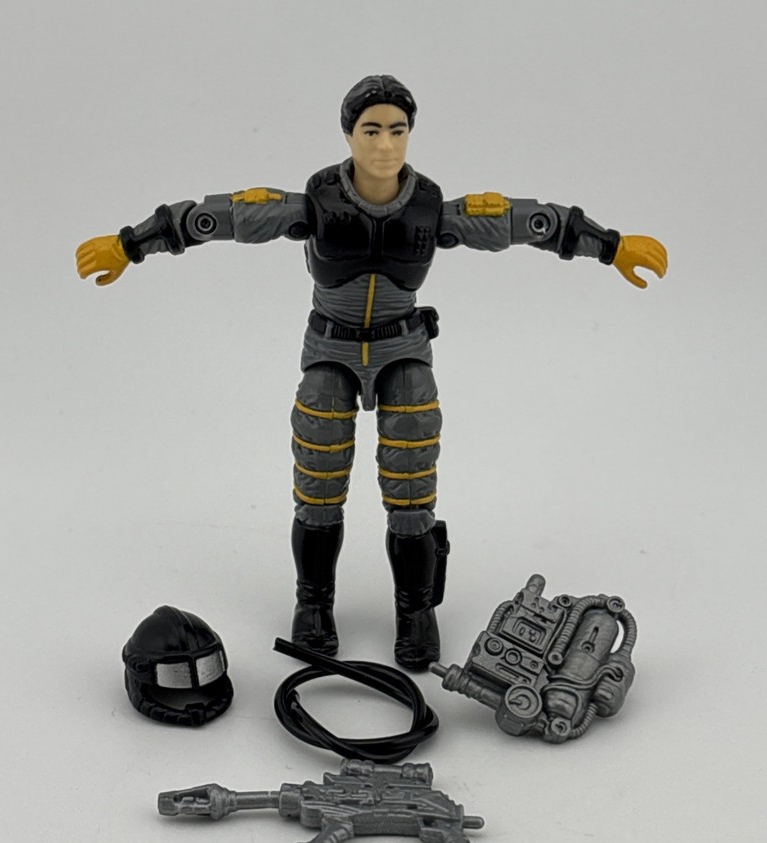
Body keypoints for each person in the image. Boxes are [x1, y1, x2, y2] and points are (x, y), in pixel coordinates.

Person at [76, 75, 667, 671]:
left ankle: (415, 611)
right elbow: (225, 216)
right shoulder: (316, 203)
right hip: (330, 350)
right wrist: (131, 244)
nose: (385, 145)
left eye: (397, 130)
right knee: (317, 489)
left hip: (401, 349)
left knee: (412, 494)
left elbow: (520, 221)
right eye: (371, 130)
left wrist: (611, 246)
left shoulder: (429, 207)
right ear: (349, 134)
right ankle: (314, 604)